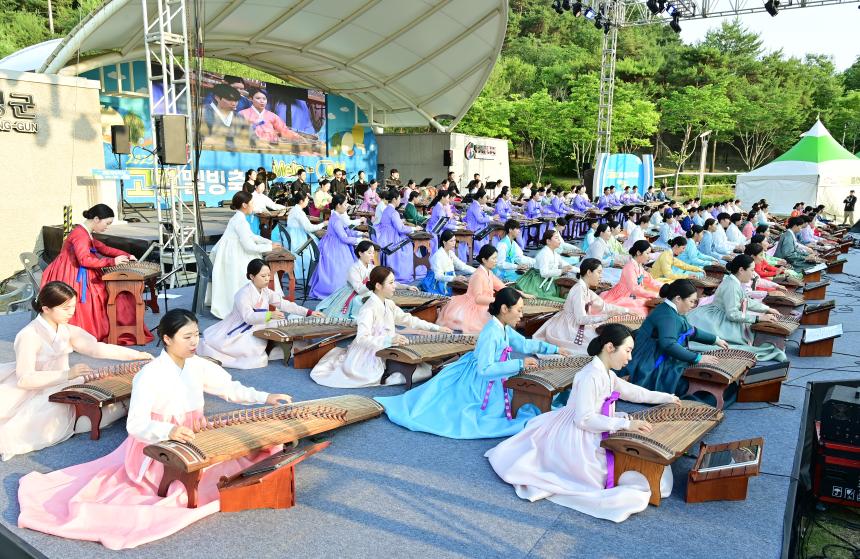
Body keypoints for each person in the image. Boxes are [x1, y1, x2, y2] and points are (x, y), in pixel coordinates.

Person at [17, 309, 291, 550]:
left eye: (196, 335)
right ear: (167, 339)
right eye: (187, 337)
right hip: (157, 443)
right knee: (187, 487)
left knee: (251, 456)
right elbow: (135, 424)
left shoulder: (198, 365)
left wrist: (265, 397)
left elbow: (229, 388)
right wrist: (168, 432)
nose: (194, 342)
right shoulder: (149, 375)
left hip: (193, 434)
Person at [485, 323, 680, 522]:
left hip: (597, 424)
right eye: (628, 351)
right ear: (610, 347)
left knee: (633, 454)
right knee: (598, 474)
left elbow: (633, 392)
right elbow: (583, 419)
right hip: (579, 431)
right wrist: (625, 425)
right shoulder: (589, 375)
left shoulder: (607, 373)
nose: (630, 357)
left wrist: (666, 398)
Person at [375, 288, 566, 439]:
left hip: (497, 373)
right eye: (519, 310)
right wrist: (519, 364)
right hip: (479, 378)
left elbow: (523, 344)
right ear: (504, 309)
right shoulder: (492, 332)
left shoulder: (503, 327)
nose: (521, 315)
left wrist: (554, 349)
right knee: (467, 413)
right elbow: (485, 369)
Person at [0, 282, 152, 461]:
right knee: (66, 422)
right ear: (46, 309)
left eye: (73, 306)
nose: (71, 312)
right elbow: (24, 379)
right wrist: (67, 374)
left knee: (100, 408)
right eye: (66, 308)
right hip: (35, 387)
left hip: (63, 381)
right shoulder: (28, 335)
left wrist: (136, 355)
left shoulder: (66, 329)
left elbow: (96, 348)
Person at [310, 266, 450, 388]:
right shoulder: (368, 309)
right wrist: (389, 340)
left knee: (421, 367)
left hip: (386, 346)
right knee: (400, 374)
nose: (394, 286)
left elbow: (408, 319)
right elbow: (362, 338)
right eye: (391, 283)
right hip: (368, 352)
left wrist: (436, 328)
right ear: (378, 285)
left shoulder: (388, 303)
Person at [41, 204, 153, 345]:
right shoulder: (80, 235)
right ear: (96, 219)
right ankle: (107, 331)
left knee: (113, 293)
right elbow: (84, 260)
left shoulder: (84, 232)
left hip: (76, 269)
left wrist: (126, 255)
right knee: (107, 295)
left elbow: (103, 248)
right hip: (72, 273)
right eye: (107, 223)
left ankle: (120, 328)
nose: (107, 227)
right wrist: (112, 262)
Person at [197, 260, 322, 369]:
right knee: (255, 356)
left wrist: (309, 312)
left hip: (261, 322)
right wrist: (269, 315)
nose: (267, 279)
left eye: (268, 275)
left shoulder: (266, 291)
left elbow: (284, 304)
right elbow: (248, 318)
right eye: (263, 276)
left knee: (291, 330)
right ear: (252, 276)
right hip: (242, 327)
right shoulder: (242, 294)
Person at [622, 280, 729, 396]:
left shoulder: (670, 311)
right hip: (650, 361)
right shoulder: (667, 316)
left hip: (657, 353)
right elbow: (668, 345)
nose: (693, 305)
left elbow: (690, 331)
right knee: (686, 386)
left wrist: (715, 339)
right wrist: (697, 358)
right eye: (691, 301)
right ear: (678, 299)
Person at [686, 255, 786, 362]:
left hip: (717, 315)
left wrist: (767, 309)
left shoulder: (733, 282)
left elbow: (746, 300)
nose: (753, 274)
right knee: (733, 344)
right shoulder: (732, 286)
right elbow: (732, 314)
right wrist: (758, 318)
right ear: (741, 270)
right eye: (752, 270)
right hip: (716, 320)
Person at [533, 258, 627, 356]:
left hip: (575, 323)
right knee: (598, 342)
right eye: (599, 272)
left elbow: (603, 306)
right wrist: (606, 316)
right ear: (589, 272)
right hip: (568, 327)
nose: (601, 276)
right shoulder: (579, 290)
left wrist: (625, 310)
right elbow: (580, 319)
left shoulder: (585, 289)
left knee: (605, 336)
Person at [210, 192, 277, 319]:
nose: (253, 205)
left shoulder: (238, 218)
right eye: (252, 203)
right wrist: (269, 247)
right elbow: (249, 246)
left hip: (232, 254)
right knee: (259, 267)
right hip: (234, 256)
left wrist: (268, 242)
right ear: (244, 205)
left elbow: (251, 236)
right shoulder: (240, 221)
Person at [437, 245, 508, 334]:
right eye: (493, 258)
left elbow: (501, 286)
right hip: (476, 306)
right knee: (491, 323)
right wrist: (496, 300)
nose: (496, 261)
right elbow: (478, 299)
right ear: (484, 260)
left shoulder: (489, 272)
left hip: (487, 302)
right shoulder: (478, 275)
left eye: (496, 258)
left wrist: (516, 293)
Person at [309, 194, 363, 299]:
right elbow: (344, 238)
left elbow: (347, 231)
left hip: (333, 244)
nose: (347, 206)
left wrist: (360, 234)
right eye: (345, 204)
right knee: (345, 266)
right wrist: (360, 240)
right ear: (338, 205)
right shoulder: (336, 220)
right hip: (335, 246)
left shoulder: (337, 216)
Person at [600, 241, 663, 317]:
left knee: (650, 304)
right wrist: (655, 295)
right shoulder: (629, 267)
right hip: (624, 295)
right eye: (647, 253)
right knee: (640, 312)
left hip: (635, 294)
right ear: (638, 253)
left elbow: (650, 281)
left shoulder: (639, 266)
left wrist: (664, 287)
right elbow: (634, 288)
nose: (649, 256)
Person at [514, 229, 574, 301]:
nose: (559, 240)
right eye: (556, 238)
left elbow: (566, 265)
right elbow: (544, 273)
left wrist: (581, 270)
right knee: (553, 298)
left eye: (558, 238)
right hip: (537, 280)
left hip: (549, 278)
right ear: (548, 241)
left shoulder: (554, 253)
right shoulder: (544, 254)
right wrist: (561, 271)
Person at [376, 188, 420, 283]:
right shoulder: (393, 212)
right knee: (408, 246)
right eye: (399, 198)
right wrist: (414, 228)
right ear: (394, 199)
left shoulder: (386, 209)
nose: (400, 201)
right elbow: (401, 229)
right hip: (392, 238)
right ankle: (401, 273)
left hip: (384, 237)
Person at [238, 87, 304, 144]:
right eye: (258, 98)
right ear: (251, 99)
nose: (262, 101)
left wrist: (297, 137)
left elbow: (283, 130)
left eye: (264, 99)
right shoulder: (242, 113)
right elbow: (238, 131)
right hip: (250, 146)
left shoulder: (272, 116)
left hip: (271, 146)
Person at [420, 230, 475, 295]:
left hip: (449, 279)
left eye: (454, 240)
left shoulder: (450, 252)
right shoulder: (438, 256)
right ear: (444, 242)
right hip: (438, 283)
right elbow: (438, 276)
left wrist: (477, 271)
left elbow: (461, 266)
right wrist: (454, 278)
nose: (454, 243)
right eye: (451, 241)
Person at [201, 83, 246, 150]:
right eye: (229, 100)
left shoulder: (240, 118)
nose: (234, 104)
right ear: (217, 98)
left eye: (236, 100)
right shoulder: (202, 113)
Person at [464, 189, 492, 257]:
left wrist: (489, 217)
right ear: (480, 198)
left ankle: (482, 253)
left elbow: (481, 216)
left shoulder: (476, 205)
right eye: (485, 197)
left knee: (489, 228)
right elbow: (480, 219)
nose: (486, 199)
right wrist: (491, 218)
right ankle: (478, 254)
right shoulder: (475, 206)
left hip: (477, 227)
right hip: (475, 229)